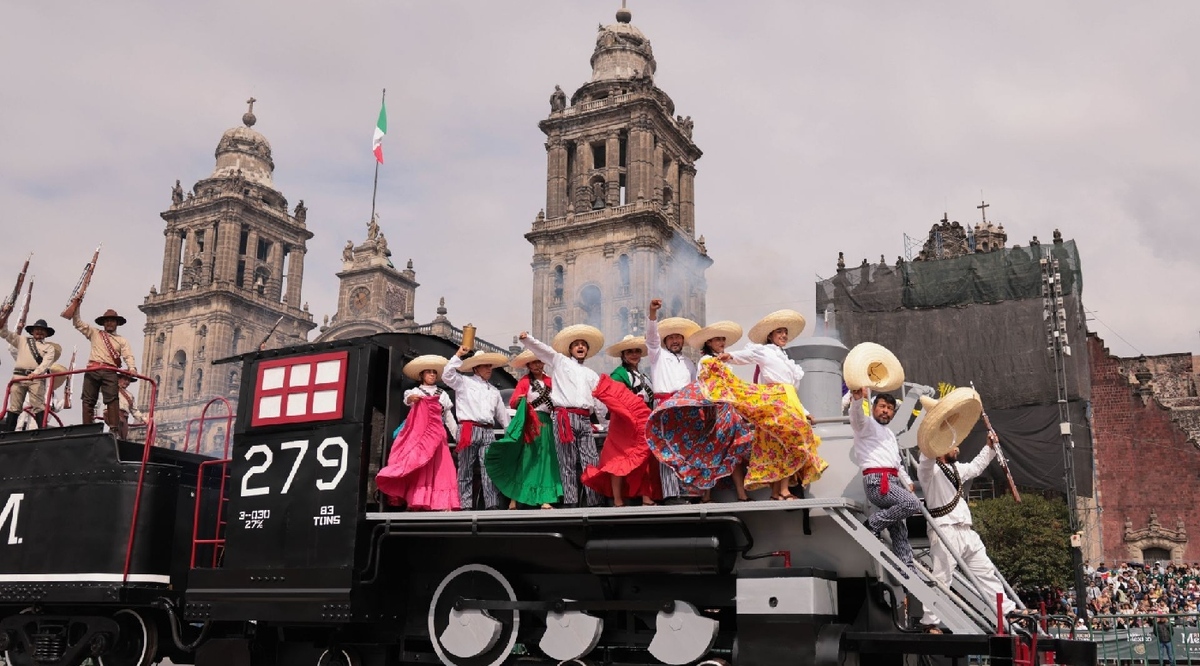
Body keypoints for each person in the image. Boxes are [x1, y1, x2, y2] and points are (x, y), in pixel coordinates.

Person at [916, 431, 1019, 633]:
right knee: (942, 577)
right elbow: (926, 458)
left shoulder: (956, 469)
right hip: (945, 530)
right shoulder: (929, 472)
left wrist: (989, 446)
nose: (958, 449)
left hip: (966, 530)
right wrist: (934, 436)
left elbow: (976, 467)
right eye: (953, 446)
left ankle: (1006, 610)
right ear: (940, 449)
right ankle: (930, 622)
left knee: (986, 571)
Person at [724, 309, 823, 500]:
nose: (784, 335)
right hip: (775, 401)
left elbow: (792, 391)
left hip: (789, 401)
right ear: (770, 335)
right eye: (779, 332)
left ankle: (777, 491)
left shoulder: (786, 359)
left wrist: (805, 411)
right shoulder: (764, 351)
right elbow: (746, 355)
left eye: (785, 332)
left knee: (782, 444)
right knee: (787, 442)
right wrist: (729, 357)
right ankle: (783, 491)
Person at [519, 325, 606, 508]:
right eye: (577, 344)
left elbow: (599, 401)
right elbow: (543, 350)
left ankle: (594, 501)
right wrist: (528, 340)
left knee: (591, 460)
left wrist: (605, 423)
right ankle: (570, 501)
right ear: (571, 349)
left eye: (583, 344)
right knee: (566, 461)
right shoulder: (559, 361)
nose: (580, 347)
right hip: (564, 416)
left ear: (587, 350)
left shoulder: (592, 374)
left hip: (584, 418)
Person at [580, 335, 660, 506]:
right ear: (623, 355)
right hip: (624, 421)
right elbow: (613, 397)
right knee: (617, 458)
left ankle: (646, 495)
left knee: (644, 456)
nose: (634, 354)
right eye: (629, 351)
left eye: (637, 351)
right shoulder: (619, 374)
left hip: (643, 419)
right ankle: (617, 498)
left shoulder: (644, 375)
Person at [377, 355, 461, 511]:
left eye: (434, 372)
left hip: (438, 437)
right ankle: (416, 501)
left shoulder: (442, 394)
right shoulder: (415, 391)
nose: (432, 375)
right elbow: (408, 399)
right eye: (428, 372)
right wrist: (413, 399)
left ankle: (442, 503)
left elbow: (449, 418)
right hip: (420, 438)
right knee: (419, 468)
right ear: (422, 375)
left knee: (442, 470)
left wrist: (458, 437)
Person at [849, 388, 920, 568]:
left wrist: (908, 482)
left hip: (892, 480)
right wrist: (857, 401)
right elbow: (857, 420)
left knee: (899, 530)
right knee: (912, 504)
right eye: (882, 406)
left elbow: (896, 462)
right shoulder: (867, 425)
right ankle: (872, 524)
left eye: (889, 408)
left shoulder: (889, 434)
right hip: (877, 481)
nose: (886, 410)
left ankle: (907, 569)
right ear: (873, 408)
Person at [485, 350, 562, 509]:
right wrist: (520, 399)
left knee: (545, 460)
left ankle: (544, 498)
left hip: (547, 423)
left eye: (538, 361)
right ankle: (515, 497)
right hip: (530, 423)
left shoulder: (550, 381)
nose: (536, 365)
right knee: (526, 459)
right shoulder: (525, 381)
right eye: (533, 362)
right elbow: (513, 402)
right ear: (528, 365)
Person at [643, 299, 700, 501]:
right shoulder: (657, 355)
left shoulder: (688, 363)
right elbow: (651, 337)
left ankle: (686, 490)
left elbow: (695, 387)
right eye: (672, 338)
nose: (676, 341)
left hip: (685, 407)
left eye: (679, 337)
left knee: (685, 448)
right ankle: (670, 493)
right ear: (665, 341)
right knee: (666, 449)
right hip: (665, 406)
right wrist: (652, 313)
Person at [442, 348, 510, 510]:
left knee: (489, 468)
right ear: (476, 368)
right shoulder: (464, 382)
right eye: (485, 366)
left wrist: (510, 432)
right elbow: (447, 375)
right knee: (465, 468)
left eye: (490, 366)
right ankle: (465, 504)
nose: (489, 369)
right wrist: (458, 355)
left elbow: (502, 416)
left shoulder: (494, 390)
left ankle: (491, 503)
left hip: (487, 431)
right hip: (468, 428)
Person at [69, 308, 137, 430]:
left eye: (112, 321)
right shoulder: (95, 333)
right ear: (103, 323)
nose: (109, 323)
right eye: (107, 321)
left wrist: (132, 368)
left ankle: (114, 429)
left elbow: (128, 355)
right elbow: (77, 323)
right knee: (88, 400)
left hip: (110, 371)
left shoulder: (122, 340)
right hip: (93, 369)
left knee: (112, 399)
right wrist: (77, 306)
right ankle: (87, 428)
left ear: (117, 323)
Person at [0, 318, 60, 431]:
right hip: (19, 377)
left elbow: (46, 363)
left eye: (42, 330)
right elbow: (4, 334)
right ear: (32, 331)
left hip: (36, 379)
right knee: (14, 406)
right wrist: (5, 318)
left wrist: (36, 373)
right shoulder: (22, 340)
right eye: (37, 329)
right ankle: (8, 433)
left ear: (46, 334)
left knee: (38, 405)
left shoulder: (49, 348)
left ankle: (42, 431)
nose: (39, 332)